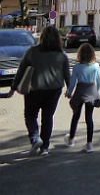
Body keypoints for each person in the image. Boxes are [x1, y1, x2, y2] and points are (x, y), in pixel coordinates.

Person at [5, 26, 71, 156]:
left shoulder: (32, 51)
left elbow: (21, 70)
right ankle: (45, 147)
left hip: (34, 90)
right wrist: (70, 90)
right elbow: (67, 74)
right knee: (47, 117)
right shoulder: (61, 55)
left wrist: (13, 88)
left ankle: (35, 138)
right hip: (54, 90)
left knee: (30, 116)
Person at [64, 43, 100, 153]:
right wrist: (96, 93)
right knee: (89, 118)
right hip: (91, 91)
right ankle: (89, 144)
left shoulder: (77, 67)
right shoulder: (96, 66)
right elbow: (99, 83)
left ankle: (71, 139)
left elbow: (72, 83)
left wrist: (69, 92)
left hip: (80, 91)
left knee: (76, 115)